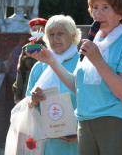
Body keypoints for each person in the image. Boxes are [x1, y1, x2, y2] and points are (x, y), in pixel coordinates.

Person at [28, 0, 122, 155]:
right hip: (85, 125)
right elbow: (78, 85)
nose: (98, 13)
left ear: (120, 13)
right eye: (95, 7)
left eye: (105, 7)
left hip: (118, 123)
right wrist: (52, 61)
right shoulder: (93, 42)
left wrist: (98, 60)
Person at [25, 15, 81, 155]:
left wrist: (80, 132)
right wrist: (33, 100)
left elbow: (94, 101)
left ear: (73, 36)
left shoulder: (84, 62)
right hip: (46, 143)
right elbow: (27, 103)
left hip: (77, 141)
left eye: (60, 34)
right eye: (51, 34)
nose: (55, 39)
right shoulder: (39, 67)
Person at [12, 17, 47, 104]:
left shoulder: (51, 47)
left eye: (40, 29)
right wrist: (18, 97)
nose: (37, 32)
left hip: (47, 88)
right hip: (28, 90)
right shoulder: (26, 49)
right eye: (34, 29)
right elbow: (20, 73)